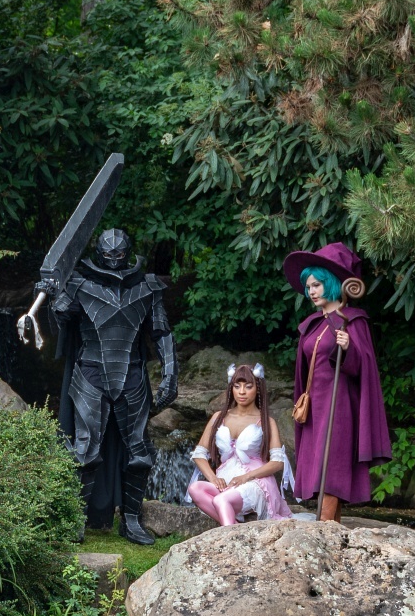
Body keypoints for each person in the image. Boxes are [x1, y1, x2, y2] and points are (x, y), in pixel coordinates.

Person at [48, 227, 177, 543]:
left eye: (120, 253)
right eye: (109, 253)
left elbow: (162, 332)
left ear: (128, 252)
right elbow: (61, 321)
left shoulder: (148, 287)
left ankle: (131, 520)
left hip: (132, 375)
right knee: (85, 451)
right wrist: (53, 293)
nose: (115, 259)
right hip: (90, 374)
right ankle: (76, 519)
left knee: (140, 454)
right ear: (99, 254)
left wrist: (171, 373)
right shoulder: (79, 284)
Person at [285, 242, 392, 523]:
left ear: (332, 283)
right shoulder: (313, 324)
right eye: (309, 286)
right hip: (315, 407)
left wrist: (349, 348)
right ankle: (332, 529)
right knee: (319, 467)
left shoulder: (352, 321)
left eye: (317, 285)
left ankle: (323, 529)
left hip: (339, 405)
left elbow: (364, 367)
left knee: (331, 467)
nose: (311, 291)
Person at [186, 362, 292, 526]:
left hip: (254, 482)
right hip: (226, 479)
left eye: (248, 387)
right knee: (195, 488)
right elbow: (199, 454)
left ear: (258, 389)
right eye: (237, 386)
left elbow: (278, 462)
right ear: (231, 388)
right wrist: (213, 478)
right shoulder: (218, 417)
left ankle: (230, 537)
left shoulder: (265, 421)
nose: (242, 392)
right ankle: (235, 527)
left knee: (221, 500)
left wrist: (246, 477)